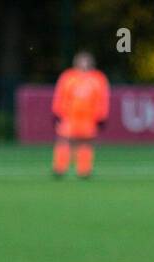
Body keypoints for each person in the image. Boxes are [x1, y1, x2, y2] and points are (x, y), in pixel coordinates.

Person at [51, 51, 110, 179]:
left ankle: (84, 170)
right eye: (81, 60)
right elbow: (60, 95)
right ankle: (59, 168)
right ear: (76, 62)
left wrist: (102, 117)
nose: (84, 63)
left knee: (86, 143)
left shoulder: (98, 78)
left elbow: (102, 99)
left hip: (88, 118)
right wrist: (57, 112)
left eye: (86, 60)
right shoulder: (68, 77)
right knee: (64, 141)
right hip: (70, 117)